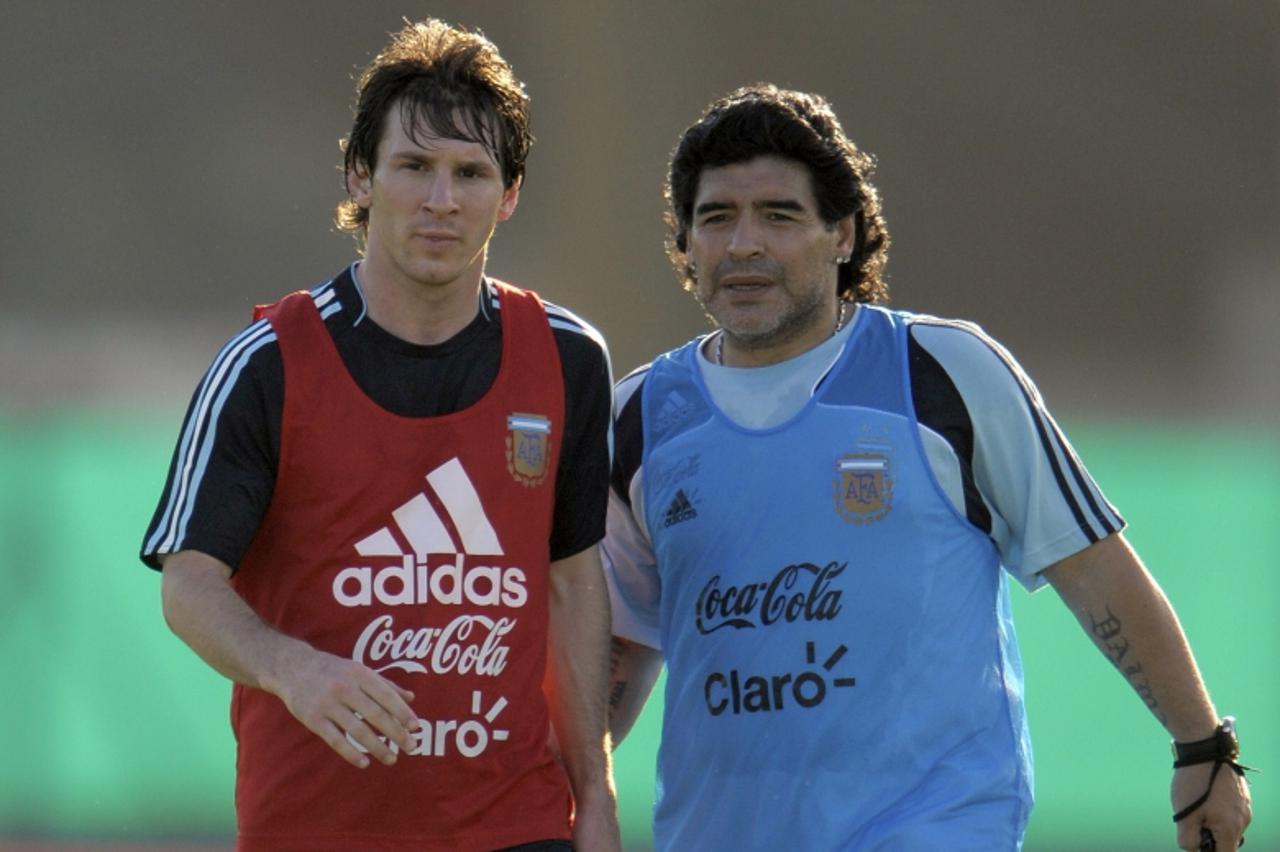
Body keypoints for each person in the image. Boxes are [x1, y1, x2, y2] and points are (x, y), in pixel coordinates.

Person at [602, 84, 1253, 851]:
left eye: (778, 215)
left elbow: (1094, 570)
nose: (744, 244)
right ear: (686, 243)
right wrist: (564, 795)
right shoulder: (638, 416)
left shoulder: (944, 372)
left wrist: (1202, 747)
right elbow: (623, 640)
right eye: (716, 218)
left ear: (842, 234)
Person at [140, 19, 621, 852]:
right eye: (415, 167)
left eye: (471, 172)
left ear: (508, 194)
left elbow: (576, 588)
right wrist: (294, 668)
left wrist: (598, 801)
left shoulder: (569, 359)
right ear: (362, 178)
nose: (442, 200)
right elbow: (188, 587)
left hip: (515, 824)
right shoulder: (268, 363)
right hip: (315, 827)